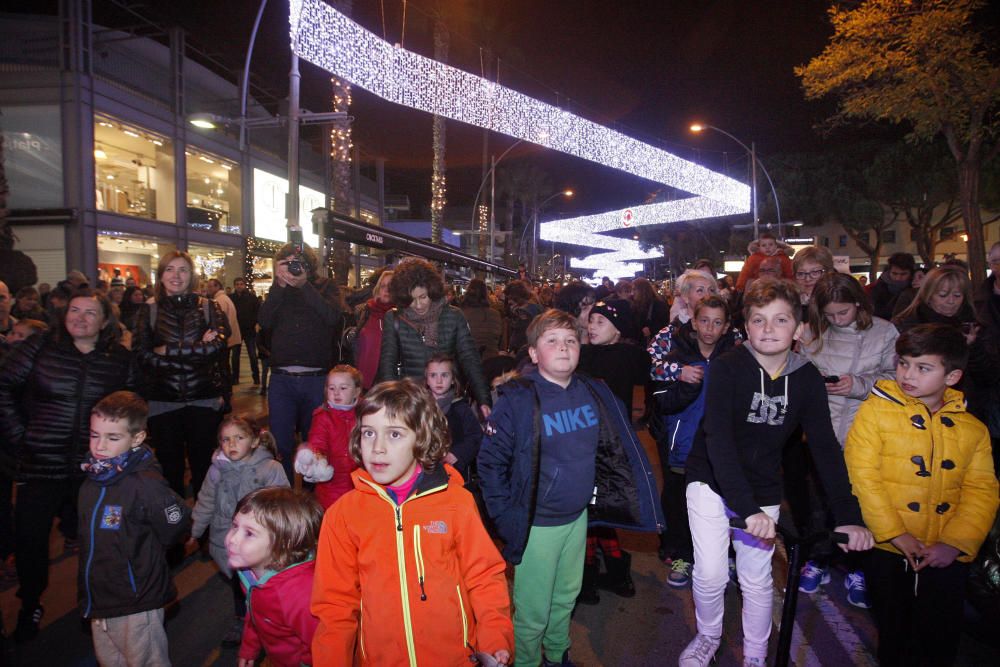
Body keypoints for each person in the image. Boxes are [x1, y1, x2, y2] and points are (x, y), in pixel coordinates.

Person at [679, 279, 872, 667]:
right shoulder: (728, 367)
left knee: (756, 577)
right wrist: (746, 509)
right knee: (713, 573)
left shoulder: (807, 379)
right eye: (758, 320)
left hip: (762, 482)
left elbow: (825, 449)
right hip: (711, 478)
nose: (768, 329)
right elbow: (718, 440)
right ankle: (709, 635)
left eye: (780, 320)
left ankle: (756, 654)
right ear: (746, 327)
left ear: (798, 329)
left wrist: (849, 517)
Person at [477, 309, 663, 666]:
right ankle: (528, 660)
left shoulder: (594, 391)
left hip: (577, 519)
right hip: (538, 526)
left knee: (566, 596)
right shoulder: (518, 399)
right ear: (533, 353)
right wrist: (505, 516)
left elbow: (613, 448)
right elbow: (490, 464)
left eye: (570, 340)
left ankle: (557, 653)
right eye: (552, 341)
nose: (563, 348)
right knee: (533, 610)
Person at [311, 379, 514, 666]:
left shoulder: (455, 502)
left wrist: (494, 638)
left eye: (394, 434)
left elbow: (484, 577)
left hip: (454, 658)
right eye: (369, 433)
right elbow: (335, 606)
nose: (377, 448)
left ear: (422, 438)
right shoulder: (342, 515)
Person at [845, 325, 999, 667]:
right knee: (893, 630)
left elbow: (982, 490)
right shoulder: (875, 413)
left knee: (939, 635)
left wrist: (956, 543)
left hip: (944, 553)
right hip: (888, 549)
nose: (907, 375)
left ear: (953, 375)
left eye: (923, 368)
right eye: (903, 363)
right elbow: (863, 476)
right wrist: (895, 534)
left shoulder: (972, 429)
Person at [0, 289, 135, 642]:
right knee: (31, 540)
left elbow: (133, 405)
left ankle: (99, 603)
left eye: (90, 312)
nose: (80, 317)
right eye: (74, 310)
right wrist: (20, 435)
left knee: (100, 539)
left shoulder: (118, 359)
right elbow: (3, 386)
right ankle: (31, 603)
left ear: (105, 321)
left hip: (94, 468)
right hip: (39, 464)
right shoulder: (39, 347)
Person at [795, 272, 899, 607]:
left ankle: (858, 567)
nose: (838, 320)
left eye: (844, 313)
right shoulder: (812, 331)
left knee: (859, 502)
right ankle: (818, 559)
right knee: (817, 502)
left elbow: (897, 378)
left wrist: (856, 384)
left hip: (863, 430)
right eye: (830, 315)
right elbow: (795, 372)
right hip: (819, 428)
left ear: (858, 303)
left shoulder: (884, 332)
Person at [78, 391, 191, 667]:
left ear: (137, 438)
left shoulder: (146, 484)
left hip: (136, 600)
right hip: (101, 597)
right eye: (94, 435)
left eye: (112, 437)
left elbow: (175, 526)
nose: (100, 446)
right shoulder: (92, 477)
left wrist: (142, 557)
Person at [652, 296, 738, 589]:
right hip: (683, 444)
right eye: (704, 321)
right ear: (693, 322)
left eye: (717, 322)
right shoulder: (677, 355)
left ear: (726, 327)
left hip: (721, 448)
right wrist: (684, 384)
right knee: (679, 503)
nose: (710, 328)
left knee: (723, 504)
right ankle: (682, 555)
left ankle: (725, 555)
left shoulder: (736, 359)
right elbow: (660, 401)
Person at [134, 251, 230, 499]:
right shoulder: (149, 311)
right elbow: (142, 356)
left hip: (203, 398)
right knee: (169, 471)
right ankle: (174, 529)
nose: (176, 276)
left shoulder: (209, 307)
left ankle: (204, 531)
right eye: (170, 269)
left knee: (204, 470)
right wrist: (195, 352)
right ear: (161, 275)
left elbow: (217, 346)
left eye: (183, 270)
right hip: (163, 401)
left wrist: (167, 351)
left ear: (192, 275)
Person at [576, 300, 652, 604]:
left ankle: (593, 576)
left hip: (609, 446)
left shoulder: (629, 355)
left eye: (600, 322)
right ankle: (613, 574)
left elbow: (654, 370)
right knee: (596, 510)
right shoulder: (587, 353)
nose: (593, 326)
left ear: (618, 330)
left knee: (595, 510)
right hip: (586, 442)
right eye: (591, 320)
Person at [188, 415, 289, 646]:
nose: (231, 444)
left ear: (254, 441)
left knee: (264, 585)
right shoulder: (216, 471)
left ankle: (269, 621)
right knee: (238, 585)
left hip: (261, 544)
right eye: (225, 439)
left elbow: (284, 503)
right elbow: (205, 501)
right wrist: (194, 531)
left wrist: (282, 536)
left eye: (239, 438)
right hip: (228, 541)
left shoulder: (269, 468)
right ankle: (242, 618)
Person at [258, 242, 345, 482]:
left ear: (309, 265)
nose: (294, 268)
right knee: (281, 444)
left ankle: (311, 501)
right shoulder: (279, 290)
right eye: (288, 263)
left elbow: (332, 317)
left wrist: (305, 286)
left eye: (298, 263)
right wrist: (279, 285)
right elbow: (264, 321)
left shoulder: (325, 286)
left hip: (315, 378)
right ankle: (285, 498)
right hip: (282, 378)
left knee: (314, 445)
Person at [377, 258, 492, 416]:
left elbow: (470, 358)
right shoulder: (394, 318)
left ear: (432, 291)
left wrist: (483, 399)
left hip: (447, 402)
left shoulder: (454, 316)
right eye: (411, 299)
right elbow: (387, 363)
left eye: (423, 297)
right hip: (410, 401)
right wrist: (389, 401)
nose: (418, 305)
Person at [227, 487, 324, 667]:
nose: (232, 539)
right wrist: (249, 646)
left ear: (284, 543)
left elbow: (324, 645)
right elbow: (256, 612)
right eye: (234, 526)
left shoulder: (301, 596)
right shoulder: (250, 574)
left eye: (249, 533)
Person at [294, 365, 361, 509]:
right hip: (332, 485)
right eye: (331, 388)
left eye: (343, 388)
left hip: (360, 482)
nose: (336, 393)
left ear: (357, 391)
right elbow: (318, 442)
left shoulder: (364, 414)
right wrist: (318, 459)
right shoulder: (323, 417)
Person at [424, 353, 482, 483]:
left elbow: (476, 435)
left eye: (444, 375)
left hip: (453, 470)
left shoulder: (460, 408)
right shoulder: (419, 408)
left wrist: (457, 454)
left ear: (452, 380)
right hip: (423, 469)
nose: (439, 381)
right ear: (427, 380)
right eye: (433, 375)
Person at [350, 269, 393, 389]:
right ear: (378, 289)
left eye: (391, 286)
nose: (386, 290)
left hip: (388, 385)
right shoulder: (363, 311)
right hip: (361, 383)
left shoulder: (402, 315)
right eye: (383, 286)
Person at [205, 278, 242, 386]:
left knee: (223, 364)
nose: (208, 289)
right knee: (225, 363)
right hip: (230, 336)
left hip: (225, 338)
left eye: (210, 286)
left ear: (217, 287)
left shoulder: (219, 300)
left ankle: (226, 386)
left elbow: (219, 322)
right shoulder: (224, 298)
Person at [461, 278, 503, 359]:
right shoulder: (496, 314)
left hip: (468, 362)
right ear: (486, 294)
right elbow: (499, 341)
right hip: (491, 361)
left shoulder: (461, 314)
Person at [868, 252, 917, 320]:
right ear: (889, 271)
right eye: (894, 273)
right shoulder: (878, 287)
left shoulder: (916, 288)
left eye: (903, 274)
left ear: (911, 273)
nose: (898, 278)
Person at [231, 277, 261, 385]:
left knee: (252, 355)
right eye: (237, 284)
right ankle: (235, 378)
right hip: (236, 330)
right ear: (235, 286)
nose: (239, 286)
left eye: (241, 284)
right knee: (235, 356)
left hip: (249, 330)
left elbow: (258, 311)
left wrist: (257, 323)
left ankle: (256, 377)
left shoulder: (252, 298)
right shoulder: (231, 298)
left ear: (244, 285)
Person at [792, 246, 835, 316]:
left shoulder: (839, 300)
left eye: (815, 272)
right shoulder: (790, 304)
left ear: (829, 272)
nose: (807, 279)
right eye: (801, 273)